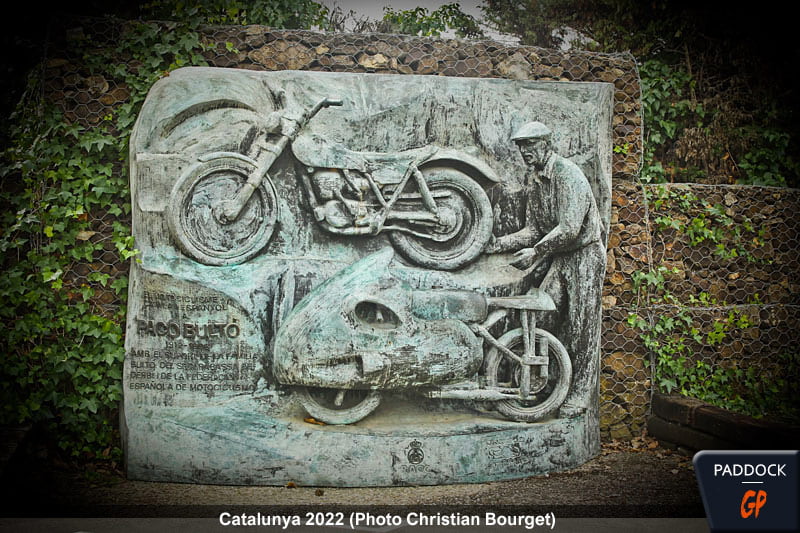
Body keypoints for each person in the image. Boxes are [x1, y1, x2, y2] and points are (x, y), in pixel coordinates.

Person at [487, 121, 606, 418]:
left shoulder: (567, 174)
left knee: (582, 327)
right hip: (560, 258)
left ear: (546, 144)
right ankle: (546, 384)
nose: (525, 152)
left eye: (530, 145)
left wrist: (537, 252)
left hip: (585, 256)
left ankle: (580, 394)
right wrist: (496, 244)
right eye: (521, 147)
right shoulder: (535, 180)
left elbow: (569, 228)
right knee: (541, 316)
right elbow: (533, 230)